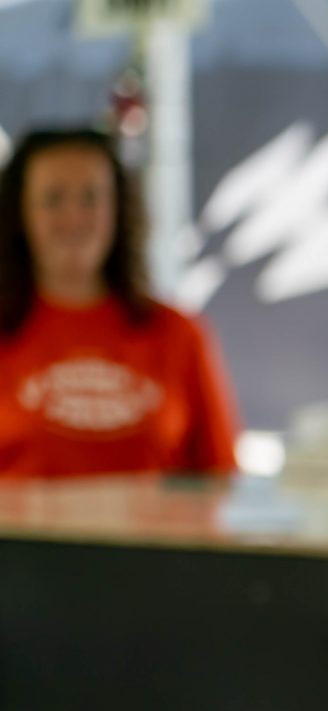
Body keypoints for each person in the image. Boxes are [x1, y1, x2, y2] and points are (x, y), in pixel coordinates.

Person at [0, 127, 239, 481]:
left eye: (91, 198)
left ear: (119, 210)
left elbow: (221, 480)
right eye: (53, 199)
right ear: (19, 213)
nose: (73, 217)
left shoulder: (178, 333)